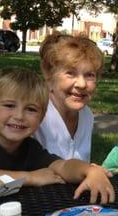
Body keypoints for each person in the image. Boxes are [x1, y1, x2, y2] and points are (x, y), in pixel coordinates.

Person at [0, 67, 114, 204]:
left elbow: (62, 166)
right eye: (9, 105)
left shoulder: (30, 148)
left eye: (31, 109)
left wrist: (89, 171)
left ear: (41, 119)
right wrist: (29, 177)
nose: (19, 116)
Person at [34, 33, 103, 161]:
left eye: (89, 75)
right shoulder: (35, 115)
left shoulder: (86, 115)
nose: (81, 84)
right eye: (70, 73)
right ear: (49, 77)